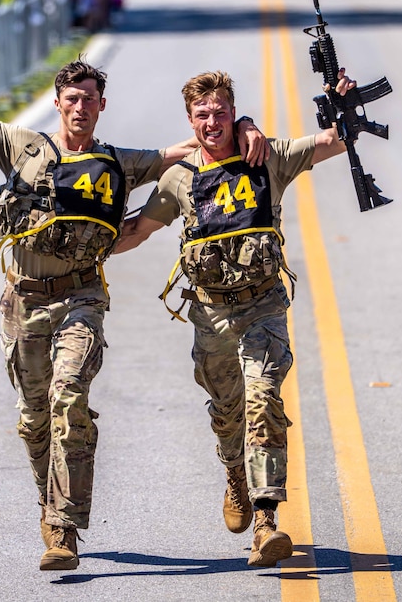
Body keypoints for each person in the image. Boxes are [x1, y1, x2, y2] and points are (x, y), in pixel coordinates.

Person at [0, 43, 267, 572]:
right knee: (34, 421)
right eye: (72, 98)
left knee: (68, 396)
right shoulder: (24, 146)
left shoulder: (120, 162)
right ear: (58, 102)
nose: (80, 107)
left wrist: (248, 126)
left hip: (81, 297)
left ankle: (63, 527)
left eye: (90, 99)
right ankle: (48, 502)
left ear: (102, 106)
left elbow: (196, 145)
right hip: (24, 300)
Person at [114, 68, 356, 568]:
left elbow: (333, 143)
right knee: (228, 414)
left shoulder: (267, 158)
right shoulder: (179, 179)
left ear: (232, 112)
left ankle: (267, 521)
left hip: (263, 305)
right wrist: (81, 245)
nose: (212, 122)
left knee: (264, 400)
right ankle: (235, 476)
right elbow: (138, 230)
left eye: (221, 112)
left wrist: (339, 107)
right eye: (202, 114)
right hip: (211, 316)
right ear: (190, 120)